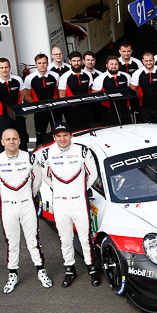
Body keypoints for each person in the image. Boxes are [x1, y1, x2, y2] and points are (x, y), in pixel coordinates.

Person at [0, 128, 52, 293]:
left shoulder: (30, 158)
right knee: (12, 242)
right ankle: (13, 274)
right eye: (7, 139)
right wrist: (5, 200)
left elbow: (36, 182)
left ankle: (41, 270)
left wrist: (28, 196)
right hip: (8, 206)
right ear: (2, 142)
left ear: (19, 140)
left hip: (27, 204)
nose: (11, 142)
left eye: (14, 139)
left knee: (33, 240)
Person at [40, 122, 100, 287]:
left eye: (65, 135)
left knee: (85, 237)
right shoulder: (47, 154)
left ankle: (91, 267)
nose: (62, 138)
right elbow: (46, 178)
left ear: (71, 136)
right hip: (60, 202)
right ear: (54, 137)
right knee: (65, 238)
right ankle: (69, 269)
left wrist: (80, 189)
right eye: (58, 136)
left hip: (79, 201)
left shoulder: (82, 151)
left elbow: (92, 174)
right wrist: (61, 190)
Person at [0, 57, 29, 152]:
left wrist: (16, 108)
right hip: (2, 118)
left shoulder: (18, 80)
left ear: (10, 67)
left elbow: (21, 95)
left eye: (6, 67)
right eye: (1, 68)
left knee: (22, 140)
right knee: (3, 142)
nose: (4, 70)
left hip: (17, 115)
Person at [22, 53, 60, 146]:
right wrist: (38, 106)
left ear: (47, 63)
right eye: (39, 63)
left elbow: (59, 93)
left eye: (44, 62)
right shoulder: (29, 78)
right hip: (40, 111)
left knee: (57, 133)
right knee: (40, 134)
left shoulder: (55, 75)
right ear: (36, 64)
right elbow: (27, 96)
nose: (42, 65)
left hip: (54, 110)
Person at [130, 51, 157, 124]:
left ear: (154, 60)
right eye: (146, 61)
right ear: (142, 61)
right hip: (144, 108)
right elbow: (133, 88)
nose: (148, 62)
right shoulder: (137, 73)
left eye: (150, 60)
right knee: (145, 130)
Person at [91, 55, 133, 125]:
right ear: (106, 65)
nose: (114, 66)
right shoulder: (100, 78)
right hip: (109, 112)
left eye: (116, 64)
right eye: (111, 64)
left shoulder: (126, 76)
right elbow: (94, 94)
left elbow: (131, 90)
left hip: (125, 111)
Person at [58, 51, 93, 131]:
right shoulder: (64, 77)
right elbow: (62, 96)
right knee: (75, 132)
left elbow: (89, 90)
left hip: (87, 108)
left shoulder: (88, 74)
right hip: (72, 110)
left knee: (89, 130)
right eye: (74, 61)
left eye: (78, 61)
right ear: (70, 61)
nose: (76, 63)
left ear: (82, 61)